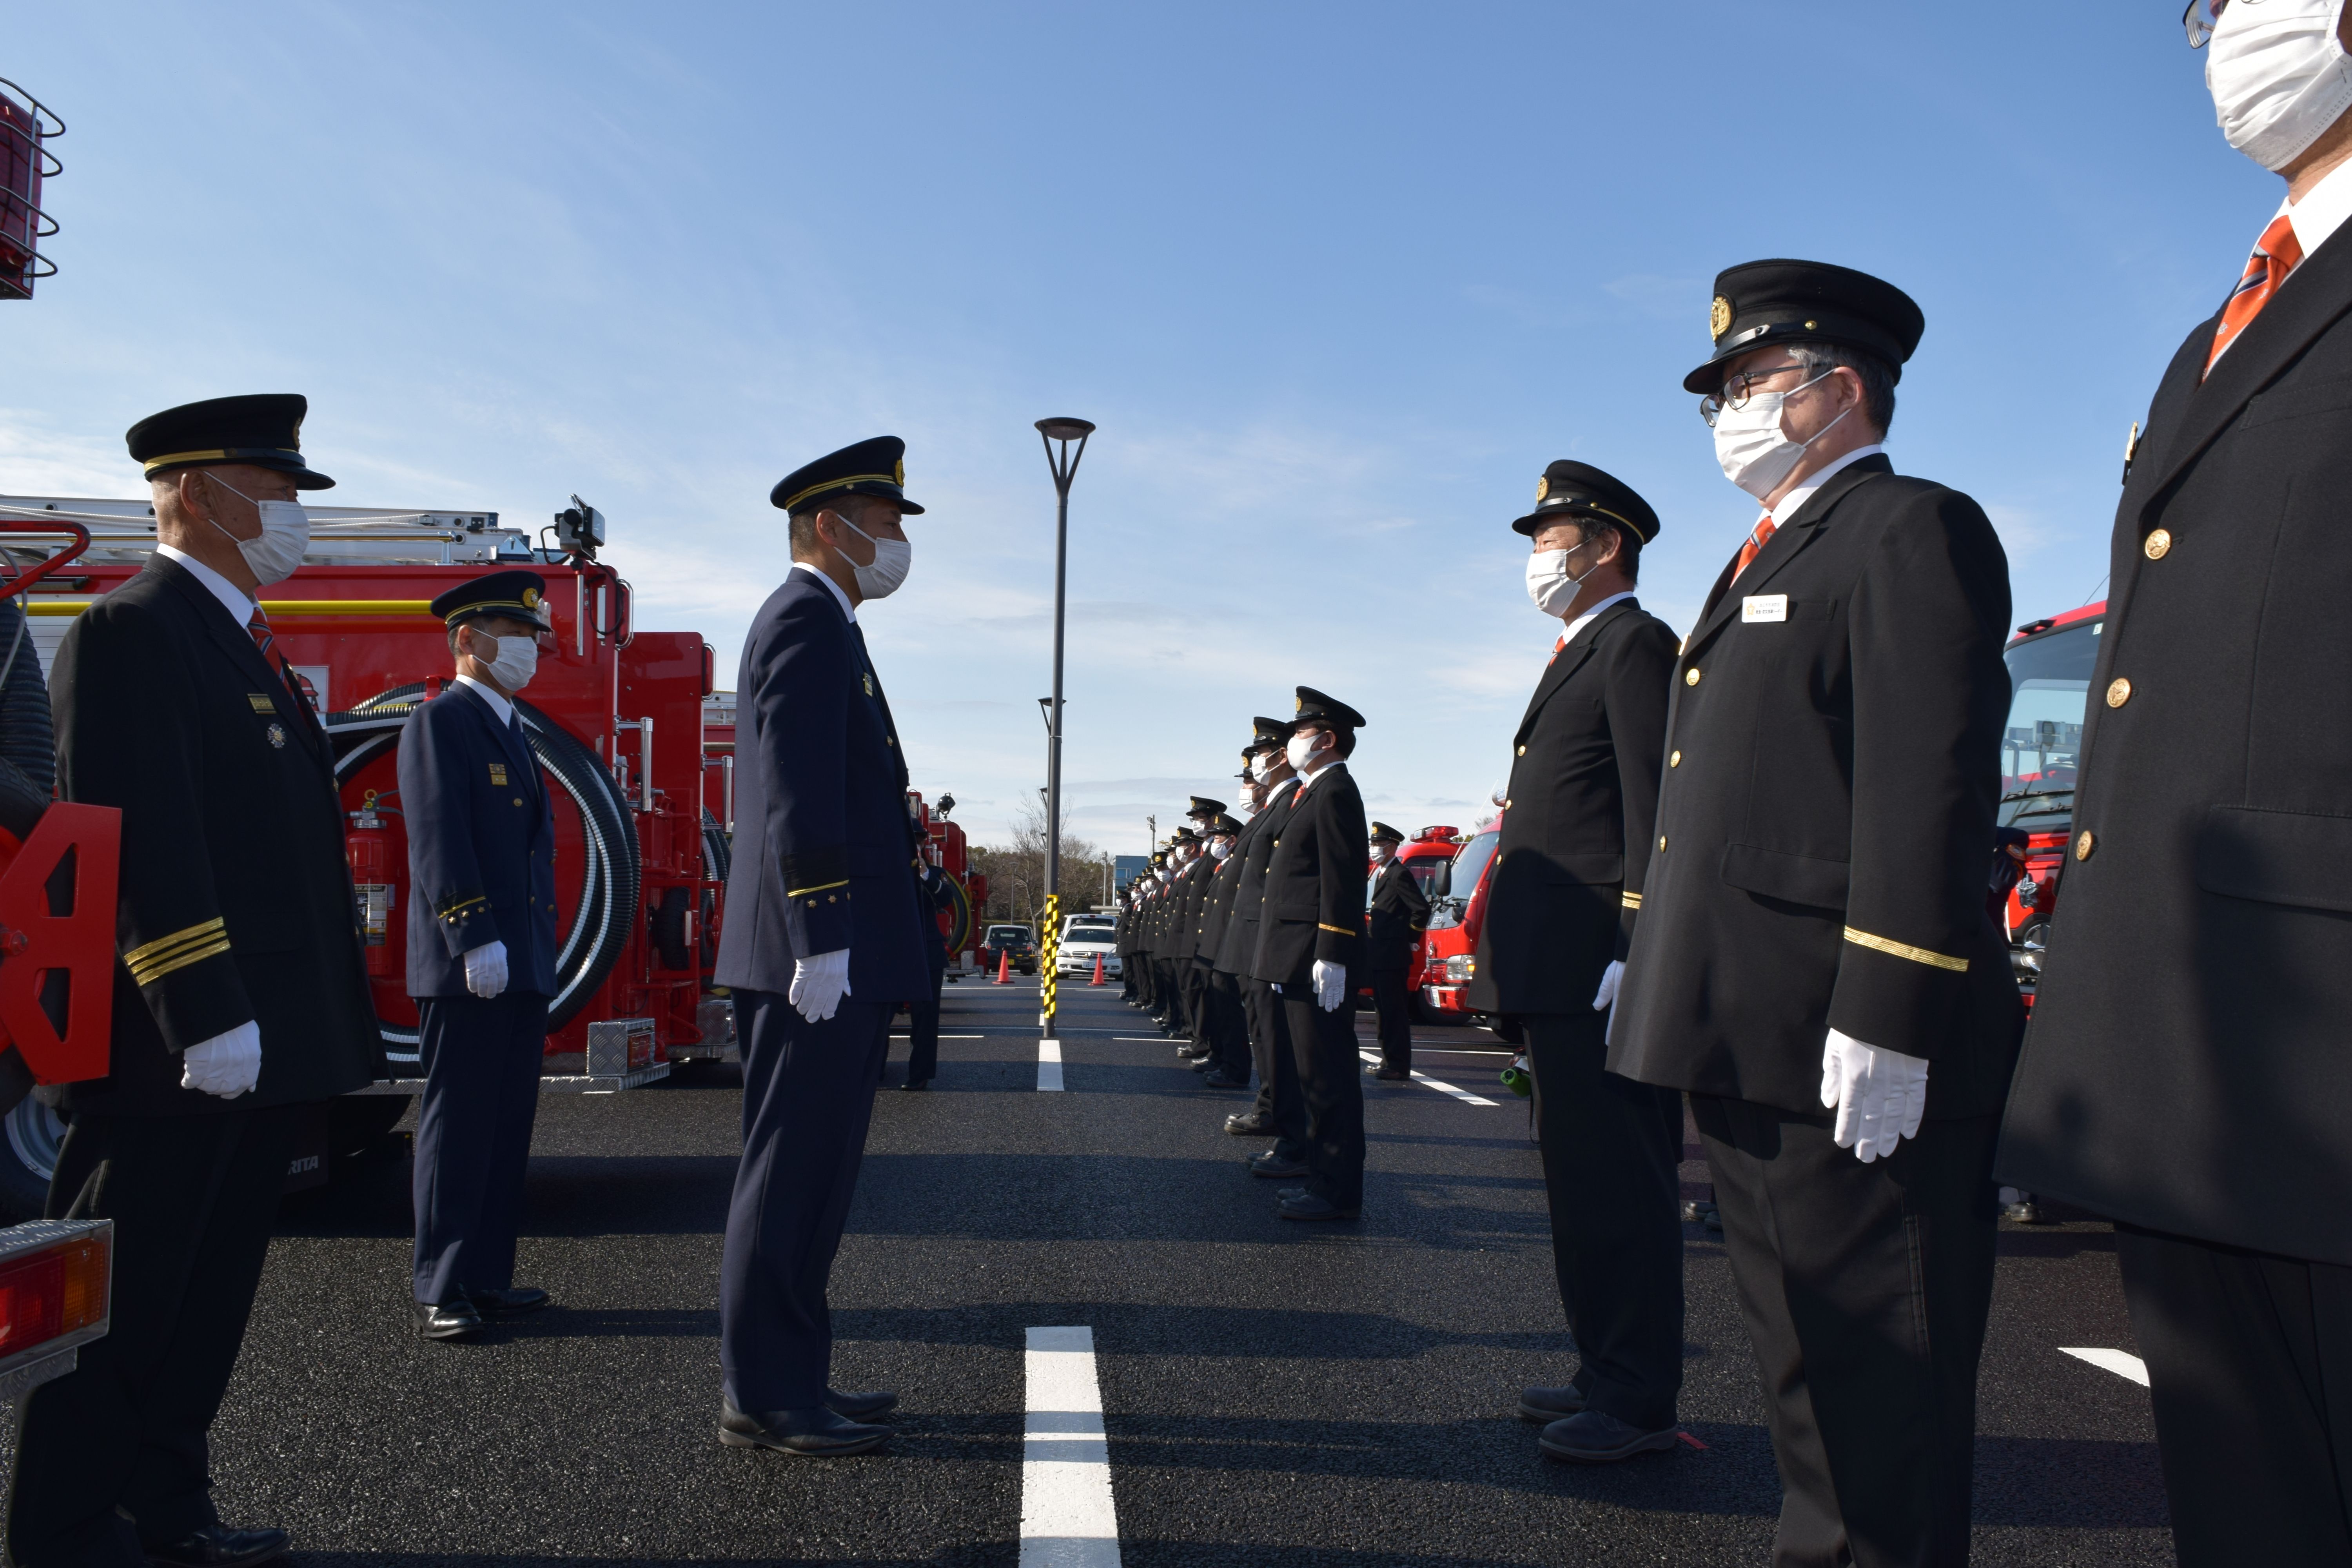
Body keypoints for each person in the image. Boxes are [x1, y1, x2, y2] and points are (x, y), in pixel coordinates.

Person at [1999, 5, 2352, 1559]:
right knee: (2242, 1504)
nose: (2222, 30)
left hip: (2319, 1037)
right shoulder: (2221, 324)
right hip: (2192, 1029)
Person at [1608, 263, 2022, 1564]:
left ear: (1837, 390)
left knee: (1875, 1403)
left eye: (1749, 382)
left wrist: (1890, 1010)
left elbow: (1925, 784)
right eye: (1720, 391)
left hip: (1840, 1043)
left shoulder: (1909, 530)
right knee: (1808, 1385)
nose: (1727, 408)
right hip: (1751, 1033)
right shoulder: (1775, 553)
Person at [11, 395, 383, 1568]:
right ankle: (66, 1529)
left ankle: (169, 1505)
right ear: (200, 492)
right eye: (272, 490)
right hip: (176, 1049)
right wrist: (203, 1009)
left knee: (205, 1302)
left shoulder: (236, 633)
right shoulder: (135, 628)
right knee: (124, 1304)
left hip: (261, 1040)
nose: (289, 514)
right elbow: (141, 840)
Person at [711, 436, 933, 1458]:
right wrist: (823, 934)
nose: (896, 542)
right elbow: (801, 792)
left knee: (817, 1179)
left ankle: (796, 1373)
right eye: (886, 523)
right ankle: (765, 1393)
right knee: (788, 1175)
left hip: (832, 953)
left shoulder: (830, 624)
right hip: (813, 959)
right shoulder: (804, 618)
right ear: (832, 527)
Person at [1462, 461, 1684, 1464]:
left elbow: (1657, 809)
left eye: (1550, 538)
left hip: (1600, 965)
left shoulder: (1635, 645)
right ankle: (1602, 1369)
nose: (1536, 557)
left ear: (1605, 546)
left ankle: (1638, 1394)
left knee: (1620, 1188)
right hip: (1556, 971)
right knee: (1578, 1184)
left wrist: (1641, 944)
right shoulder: (1579, 651)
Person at [399, 570, 561, 1341]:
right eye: (519, 635)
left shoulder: (511, 727)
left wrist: (528, 951)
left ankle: (487, 1274)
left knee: (504, 1125)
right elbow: (438, 839)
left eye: (534, 637)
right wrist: (473, 934)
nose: (532, 649)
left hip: (519, 960)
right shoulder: (441, 722)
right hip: (472, 964)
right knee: (458, 1124)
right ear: (469, 638)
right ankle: (441, 1283)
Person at [1252, 687, 1371, 1221]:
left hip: (1313, 955)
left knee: (1329, 1078)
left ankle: (1336, 1189)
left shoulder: (1336, 792)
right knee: (1312, 1076)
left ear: (1326, 739)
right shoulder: (1312, 793)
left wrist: (1332, 952)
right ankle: (1323, 1179)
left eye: (1300, 733)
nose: (1293, 741)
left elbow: (1342, 878)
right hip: (1294, 954)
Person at [1225, 719, 1312, 1166]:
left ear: (1281, 755)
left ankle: (1291, 1134)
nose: (1255, 768)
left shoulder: (1294, 802)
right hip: (1253, 941)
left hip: (1270, 941)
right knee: (1264, 1035)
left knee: (1277, 1041)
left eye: (1262, 755)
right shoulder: (1271, 810)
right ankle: (1271, 1110)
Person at [1362, 822, 1430, 1082]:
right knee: (1382, 1009)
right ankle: (1388, 1058)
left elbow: (1421, 909)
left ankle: (1399, 1064)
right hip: (1380, 953)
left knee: (1394, 1011)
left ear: (1391, 847)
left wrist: (1411, 937)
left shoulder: (1399, 874)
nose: (1374, 849)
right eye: (1373, 844)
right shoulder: (1382, 873)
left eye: (1378, 845)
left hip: (1392, 953)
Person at [1190, 813, 1252, 1088]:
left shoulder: (1238, 866)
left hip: (1228, 948)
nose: (1214, 842)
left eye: (1218, 837)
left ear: (1232, 840)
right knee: (1219, 1009)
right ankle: (1220, 1057)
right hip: (1214, 948)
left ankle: (1235, 1067)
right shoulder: (1224, 866)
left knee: (1231, 1012)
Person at [888, 863, 955, 1090]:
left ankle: (920, 1075)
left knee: (925, 1019)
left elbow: (946, 899)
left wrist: (925, 874)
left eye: (917, 840)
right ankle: (872, 1073)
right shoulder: (884, 867)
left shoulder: (935, 873)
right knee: (877, 1019)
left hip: (927, 952)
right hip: (888, 952)